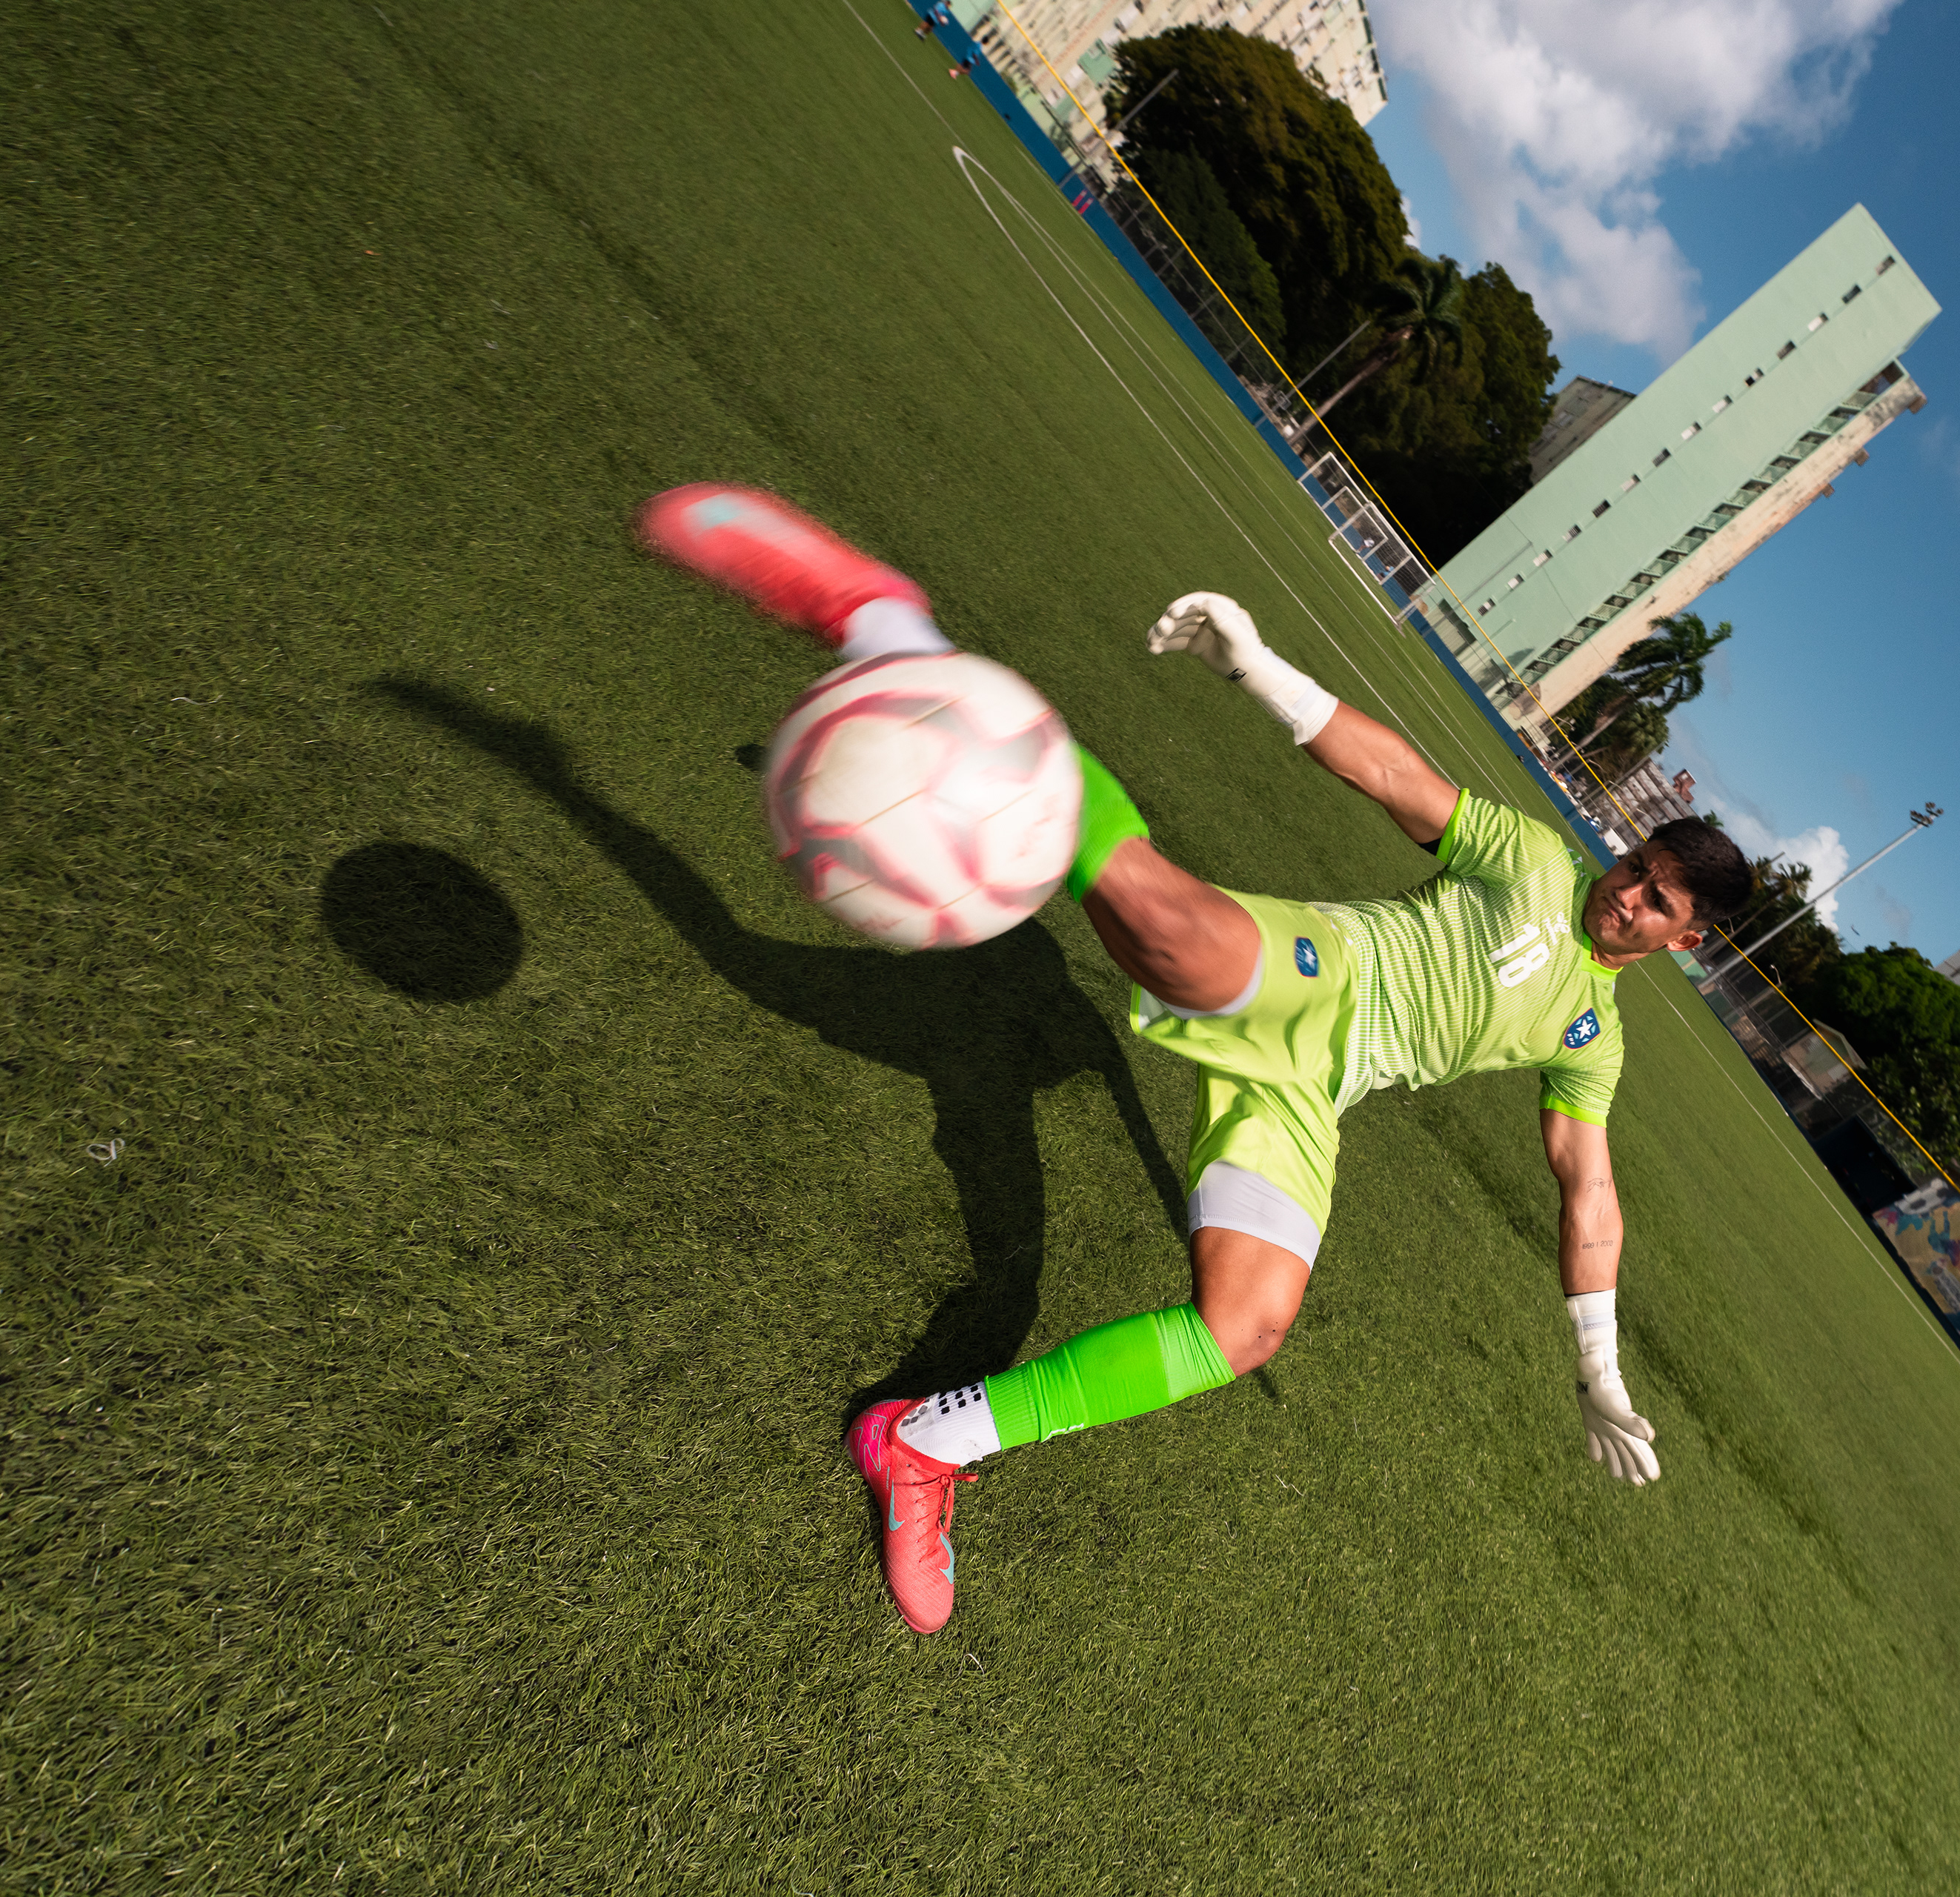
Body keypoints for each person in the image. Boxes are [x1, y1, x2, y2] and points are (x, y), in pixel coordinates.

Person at [634, 485, 1754, 1633]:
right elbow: (1394, 776)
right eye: (1636, 867)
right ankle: (888, 625)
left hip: (1317, 1089)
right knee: (1168, 931)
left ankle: (920, 1444)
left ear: (1685, 941)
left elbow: (1587, 1186)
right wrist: (1259, 669)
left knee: (1247, 1323)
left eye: (1657, 902)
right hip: (1328, 969)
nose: (1626, 896)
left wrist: (1598, 1361)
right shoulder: (1532, 860)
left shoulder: (1594, 1039)